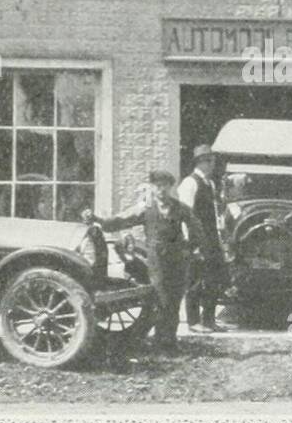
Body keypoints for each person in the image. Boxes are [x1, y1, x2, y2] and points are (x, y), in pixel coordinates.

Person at [91, 170, 204, 352]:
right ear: (152, 187)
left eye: (164, 186)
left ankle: (169, 341)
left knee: (174, 301)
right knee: (160, 299)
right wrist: (98, 220)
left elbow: (197, 228)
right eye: (157, 186)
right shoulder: (145, 208)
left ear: (170, 187)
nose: (161, 190)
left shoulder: (180, 208)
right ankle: (160, 342)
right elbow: (120, 220)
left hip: (178, 261)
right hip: (157, 261)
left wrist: (189, 248)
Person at [178, 144, 228, 333]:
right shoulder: (190, 183)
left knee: (213, 279)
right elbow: (185, 214)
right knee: (195, 281)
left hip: (212, 238)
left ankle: (209, 320)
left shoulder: (210, 183)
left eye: (212, 160)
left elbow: (215, 213)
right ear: (201, 162)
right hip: (196, 240)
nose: (213, 164)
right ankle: (193, 321)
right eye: (209, 161)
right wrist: (191, 243)